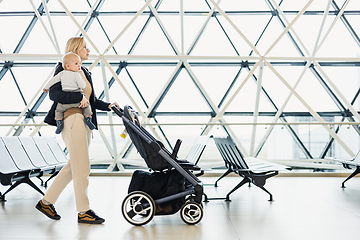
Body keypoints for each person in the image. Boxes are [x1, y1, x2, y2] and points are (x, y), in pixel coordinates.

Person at [36, 36, 119, 224]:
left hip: (83, 120)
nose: (88, 51)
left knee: (74, 165)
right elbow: (54, 94)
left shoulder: (84, 72)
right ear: (76, 49)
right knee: (83, 166)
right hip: (72, 118)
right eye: (85, 47)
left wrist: (108, 106)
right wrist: (77, 97)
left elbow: (91, 100)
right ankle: (84, 211)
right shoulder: (64, 68)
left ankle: (46, 202)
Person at [43, 52, 95, 134]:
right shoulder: (77, 74)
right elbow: (82, 85)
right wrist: (81, 95)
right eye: (76, 63)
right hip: (78, 103)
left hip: (64, 103)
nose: (79, 66)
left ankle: (59, 123)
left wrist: (46, 88)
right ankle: (88, 119)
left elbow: (53, 81)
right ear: (68, 66)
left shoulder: (62, 74)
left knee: (58, 111)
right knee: (86, 107)